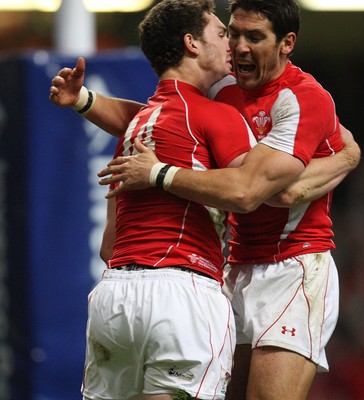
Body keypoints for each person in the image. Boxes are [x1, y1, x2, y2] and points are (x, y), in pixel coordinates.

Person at [94, 1, 361, 399]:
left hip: (292, 266)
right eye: (233, 34)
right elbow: (171, 122)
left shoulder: (304, 99)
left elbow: (262, 192)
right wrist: (85, 101)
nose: (239, 47)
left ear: (287, 43)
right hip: (233, 264)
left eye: (254, 38)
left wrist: (158, 173)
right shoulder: (222, 86)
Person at [54, 1, 266, 399]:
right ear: (192, 44)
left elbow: (107, 245)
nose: (232, 45)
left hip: (114, 299)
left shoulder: (135, 128)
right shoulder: (215, 116)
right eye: (221, 34)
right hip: (182, 294)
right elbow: (246, 191)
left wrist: (85, 100)